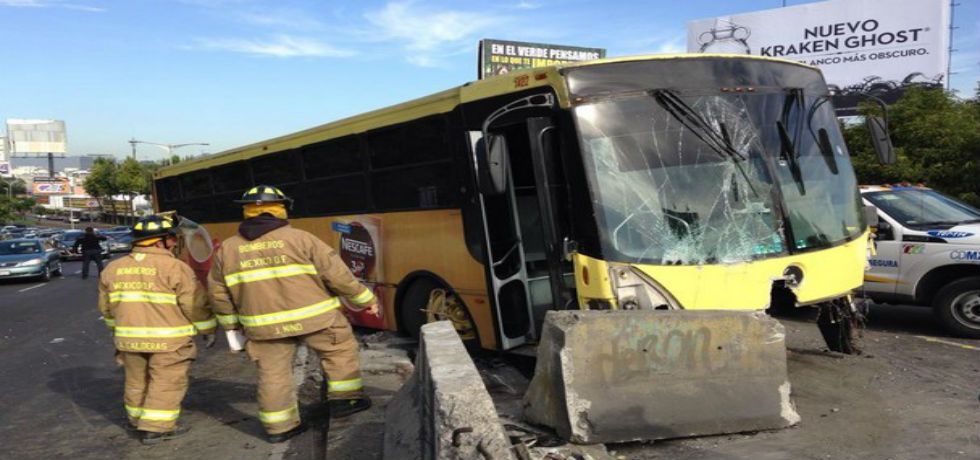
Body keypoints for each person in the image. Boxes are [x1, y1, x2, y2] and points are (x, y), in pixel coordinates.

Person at [208, 185, 378, 443]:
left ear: (247, 212)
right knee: (339, 351)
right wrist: (366, 300)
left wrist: (232, 327)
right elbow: (337, 275)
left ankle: (280, 428)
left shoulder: (227, 250)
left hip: (263, 328)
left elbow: (218, 294)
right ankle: (346, 400)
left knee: (273, 374)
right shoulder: (301, 238)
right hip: (317, 320)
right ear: (280, 209)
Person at [98, 215, 216, 445]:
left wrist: (118, 332)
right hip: (169, 341)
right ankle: (155, 428)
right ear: (159, 241)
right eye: (171, 239)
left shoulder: (113, 268)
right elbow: (194, 305)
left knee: (136, 381)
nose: (174, 243)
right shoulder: (175, 267)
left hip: (128, 341)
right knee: (166, 382)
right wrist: (208, 329)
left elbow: (106, 308)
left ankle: (136, 419)